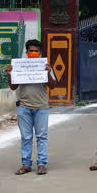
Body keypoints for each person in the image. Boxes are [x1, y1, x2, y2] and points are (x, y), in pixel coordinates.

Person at [6, 39, 57, 175]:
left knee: (41, 136)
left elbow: (52, 86)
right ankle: (26, 164)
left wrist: (48, 72)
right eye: (31, 51)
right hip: (23, 106)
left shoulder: (46, 66)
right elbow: (13, 87)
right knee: (26, 137)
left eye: (36, 51)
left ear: (40, 53)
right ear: (26, 52)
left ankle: (41, 164)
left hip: (41, 107)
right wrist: (10, 75)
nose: (33, 53)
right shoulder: (19, 66)